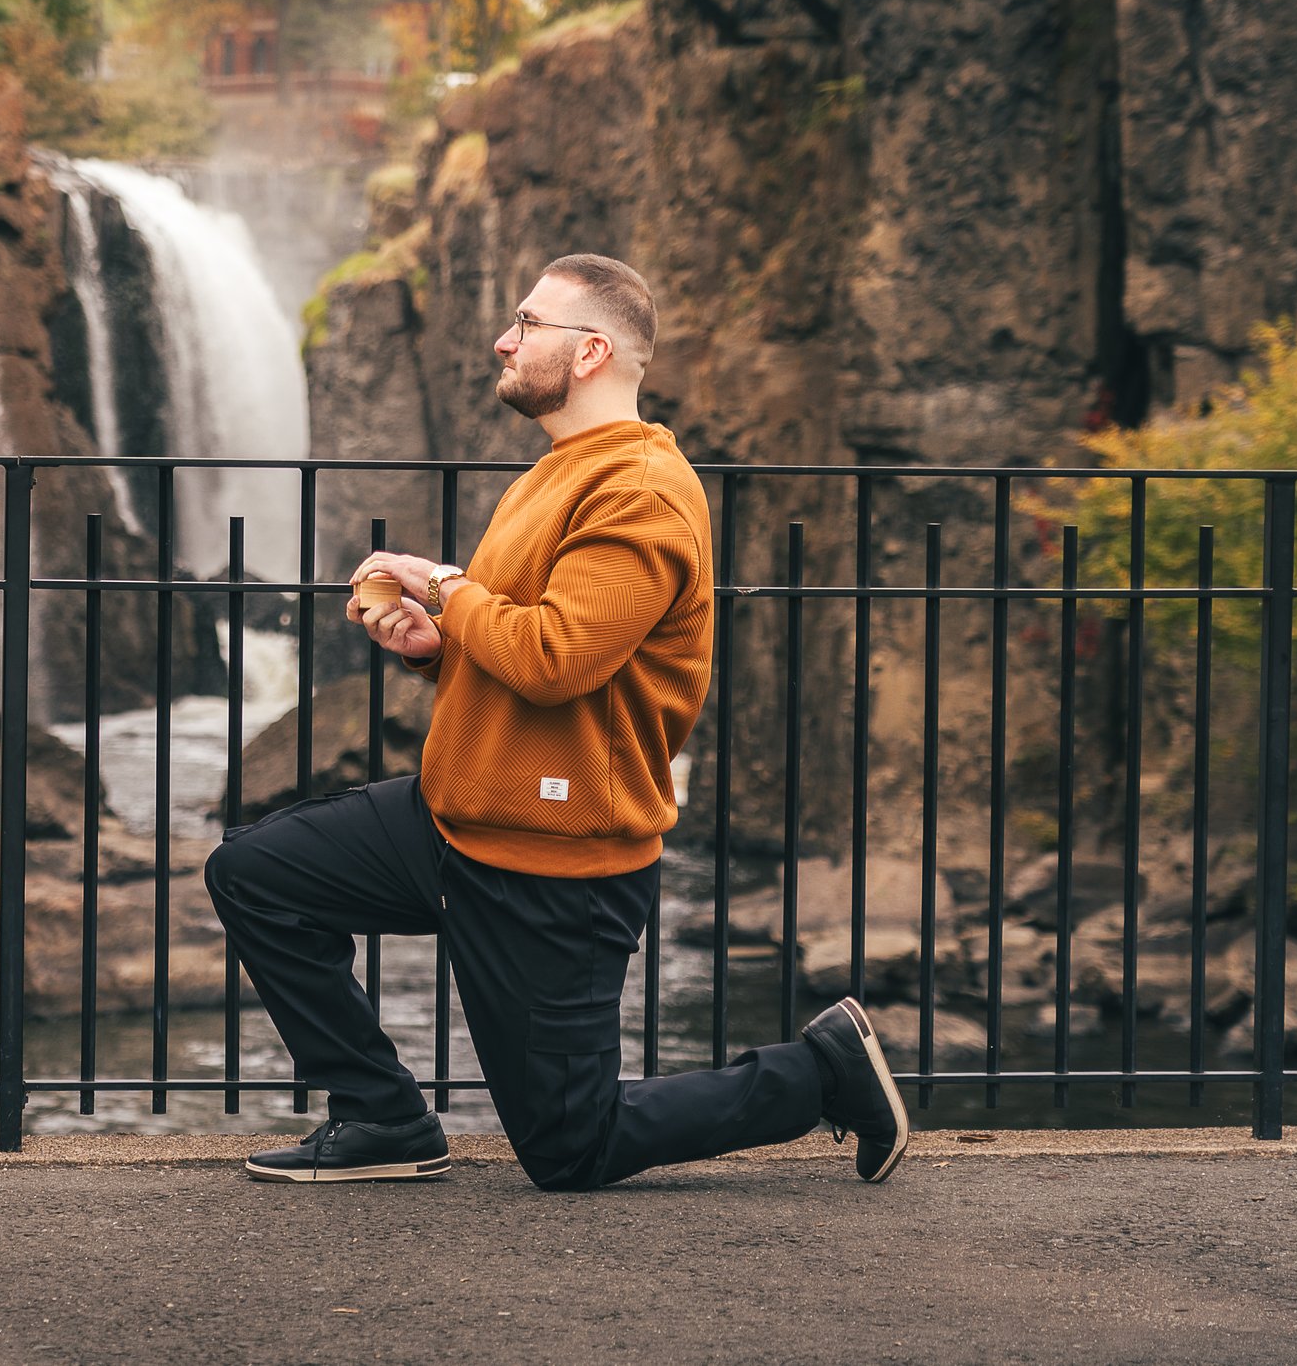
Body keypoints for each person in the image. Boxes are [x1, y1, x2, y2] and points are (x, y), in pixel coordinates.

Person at [203, 252, 909, 1190]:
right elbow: (514, 642)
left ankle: (822, 1070)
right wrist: (431, 642)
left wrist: (443, 583)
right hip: (454, 817)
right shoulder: (557, 470)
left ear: (590, 350)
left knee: (572, 1147)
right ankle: (380, 1114)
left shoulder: (641, 490)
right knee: (256, 874)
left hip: (553, 860)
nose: (505, 337)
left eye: (528, 323)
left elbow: (558, 660)